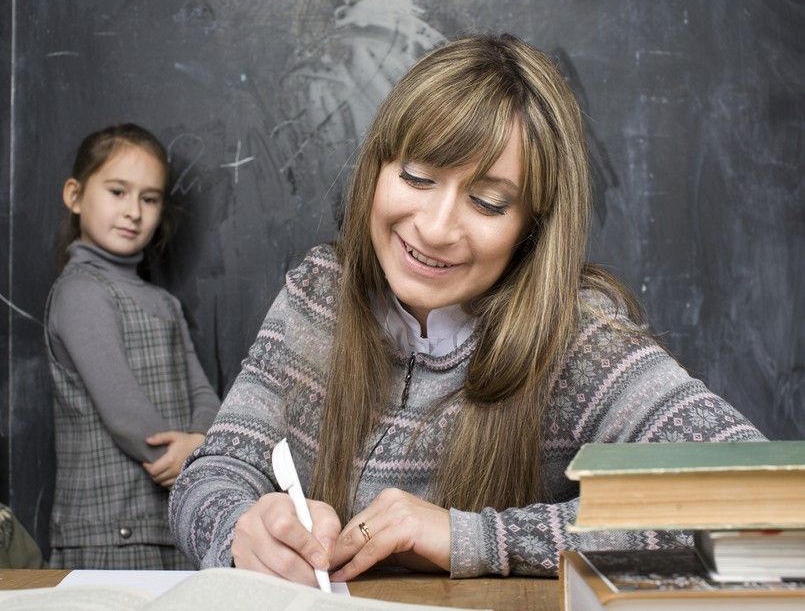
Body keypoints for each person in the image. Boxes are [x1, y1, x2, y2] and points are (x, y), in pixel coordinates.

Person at [169, 34, 765, 582]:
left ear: (532, 227)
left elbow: (757, 500)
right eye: (417, 176)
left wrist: (472, 537)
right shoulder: (320, 292)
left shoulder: (580, 337)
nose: (434, 228)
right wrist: (239, 530)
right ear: (378, 168)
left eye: (487, 201)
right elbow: (214, 471)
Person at [45, 123, 221, 569]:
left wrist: (199, 444)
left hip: (173, 528)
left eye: (149, 198)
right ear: (75, 195)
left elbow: (203, 393)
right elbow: (124, 412)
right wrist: (187, 460)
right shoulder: (81, 291)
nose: (133, 212)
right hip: (108, 536)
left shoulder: (165, 303)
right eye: (118, 191)